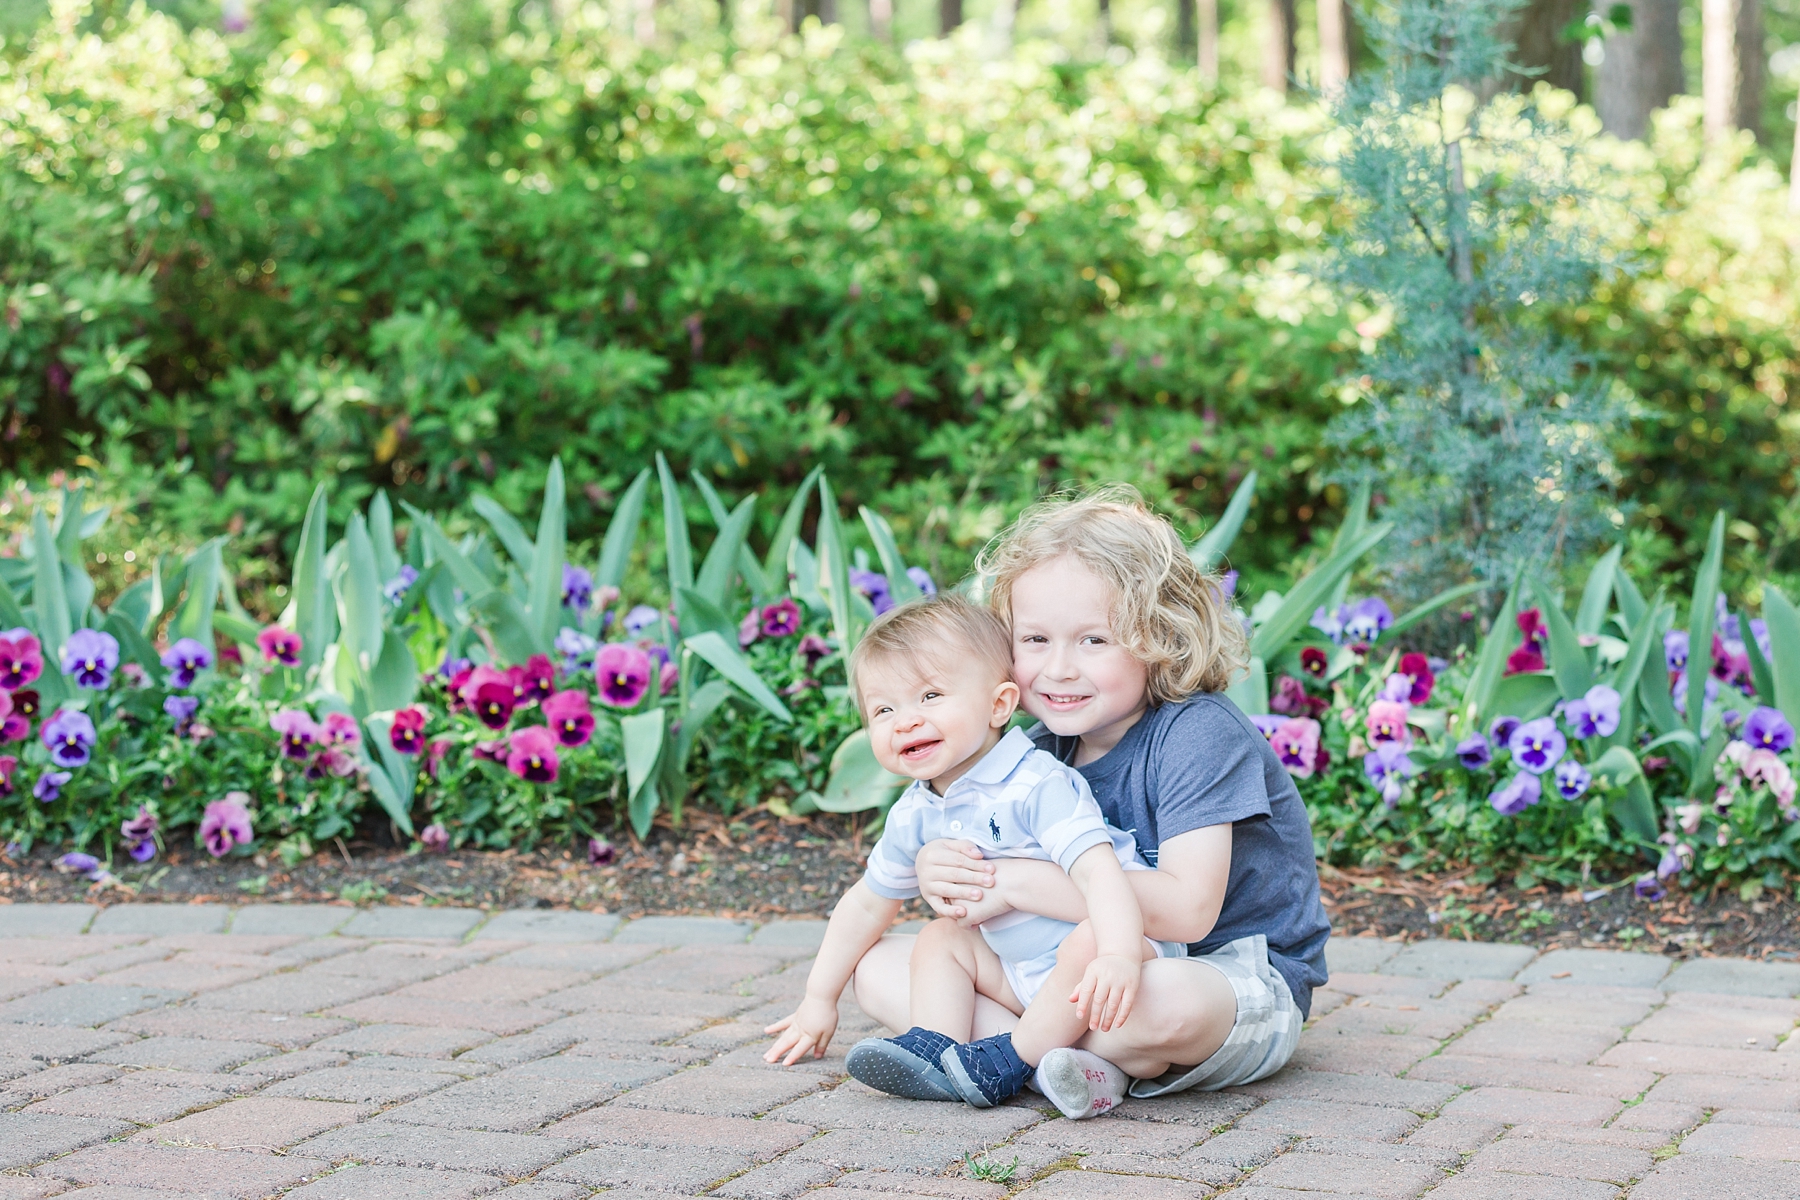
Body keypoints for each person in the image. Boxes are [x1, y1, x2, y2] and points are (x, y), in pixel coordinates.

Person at [845, 487, 1330, 1118]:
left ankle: (1022, 1050)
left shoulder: (1198, 734)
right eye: (1036, 640)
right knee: (878, 967)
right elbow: (990, 887)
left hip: (1223, 973)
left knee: (1158, 1003)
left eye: (1094, 641)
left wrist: (1014, 882)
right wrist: (943, 869)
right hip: (1076, 969)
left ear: (1161, 636)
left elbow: (1188, 913)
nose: (1059, 669)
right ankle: (1057, 1061)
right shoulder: (1036, 749)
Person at [761, 594, 1183, 1114]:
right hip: (1020, 975)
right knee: (941, 937)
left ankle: (1014, 1059)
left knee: (1091, 938)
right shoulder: (915, 812)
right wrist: (817, 999)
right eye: (884, 709)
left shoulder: (1036, 783)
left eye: (930, 696)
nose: (905, 722)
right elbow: (867, 903)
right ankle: (936, 1049)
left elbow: (1101, 876)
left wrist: (1119, 955)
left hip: (1108, 973)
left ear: (999, 706)